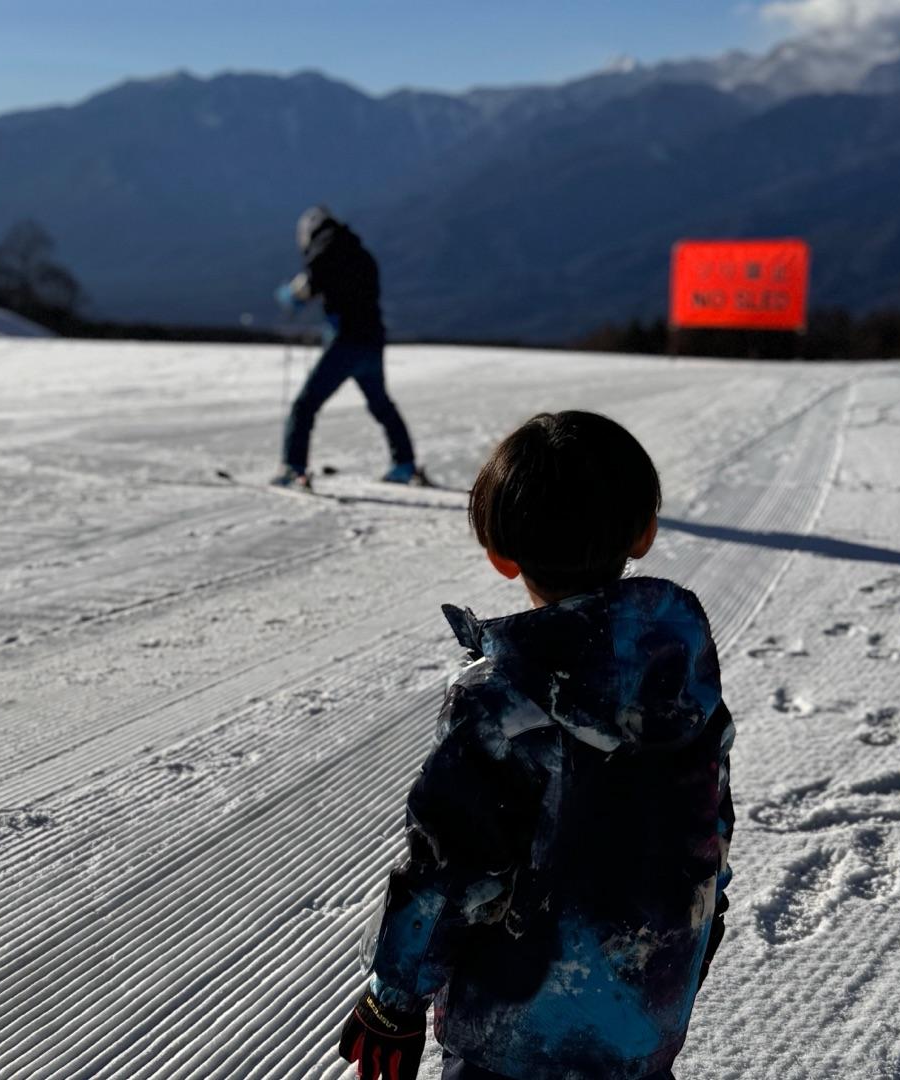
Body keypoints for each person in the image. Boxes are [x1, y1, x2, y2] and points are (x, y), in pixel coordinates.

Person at [338, 411, 735, 1080]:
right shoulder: (678, 676)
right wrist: (696, 933)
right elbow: (708, 829)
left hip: (514, 1040)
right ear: (644, 533)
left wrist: (394, 997)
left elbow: (454, 869)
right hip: (643, 1025)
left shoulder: (502, 702)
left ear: (501, 555)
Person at [272, 206, 422, 488]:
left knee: (305, 405)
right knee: (381, 404)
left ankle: (293, 468)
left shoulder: (325, 248)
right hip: (372, 341)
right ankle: (405, 464)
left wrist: (292, 295)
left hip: (344, 342)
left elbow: (311, 284)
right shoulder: (362, 253)